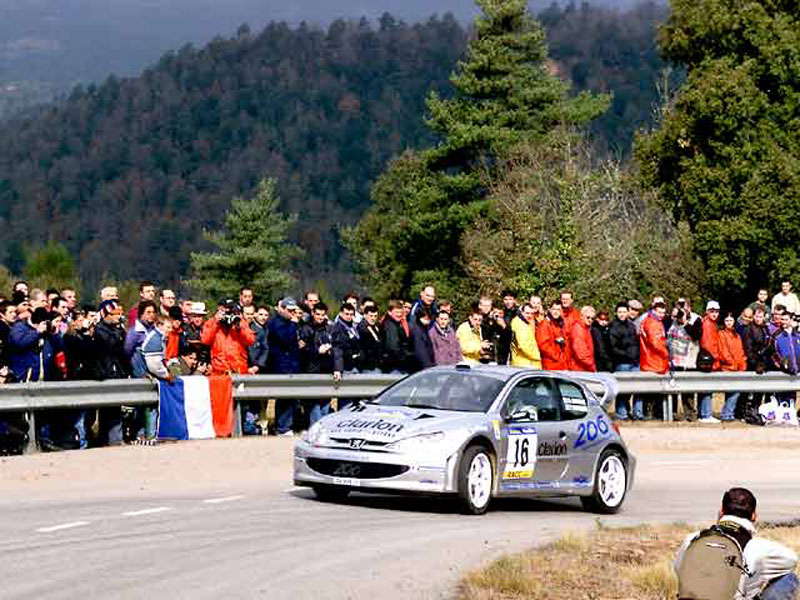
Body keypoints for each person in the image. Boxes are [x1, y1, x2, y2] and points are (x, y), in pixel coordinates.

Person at [675, 487, 798, 600]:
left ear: (721, 513)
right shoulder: (758, 548)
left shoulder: (691, 539)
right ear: (754, 516)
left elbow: (679, 569)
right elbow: (792, 560)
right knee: (790, 579)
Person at [267, 298, 302, 435]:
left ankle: (288, 425)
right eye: (289, 311)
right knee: (284, 398)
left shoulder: (288, 323)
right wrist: (293, 325)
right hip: (281, 366)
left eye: (294, 311)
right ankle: (282, 427)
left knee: (292, 398)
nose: (292, 314)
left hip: (292, 365)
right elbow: (284, 339)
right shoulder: (275, 323)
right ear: (281, 309)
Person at [299, 302, 335, 425]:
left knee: (325, 402)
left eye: (322, 315)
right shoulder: (306, 328)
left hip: (327, 370)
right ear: (313, 313)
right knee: (313, 404)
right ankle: (317, 428)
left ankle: (322, 427)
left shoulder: (329, 328)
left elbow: (338, 346)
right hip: (311, 370)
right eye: (317, 314)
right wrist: (317, 351)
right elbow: (303, 350)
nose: (320, 317)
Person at [201, 299, 256, 375]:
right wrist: (216, 322)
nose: (227, 315)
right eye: (225, 312)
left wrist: (239, 326)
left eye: (229, 312)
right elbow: (205, 340)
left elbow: (251, 340)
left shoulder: (240, 323)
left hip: (238, 369)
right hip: (219, 369)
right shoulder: (212, 322)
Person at [719, 313, 747, 421]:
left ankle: (729, 414)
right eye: (727, 320)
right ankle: (726, 413)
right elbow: (723, 351)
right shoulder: (721, 334)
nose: (729, 323)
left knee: (735, 391)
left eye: (731, 320)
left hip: (738, 368)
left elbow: (741, 351)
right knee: (734, 391)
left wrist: (742, 363)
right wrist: (732, 363)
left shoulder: (737, 335)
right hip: (728, 367)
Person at [698, 300, 723, 423]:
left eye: (717, 311)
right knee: (707, 388)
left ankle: (704, 413)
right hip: (709, 360)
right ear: (707, 311)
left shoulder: (711, 323)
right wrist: (716, 358)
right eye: (712, 311)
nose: (715, 314)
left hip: (709, 359)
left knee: (706, 388)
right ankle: (705, 414)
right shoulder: (708, 324)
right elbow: (709, 345)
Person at [536, 300, 569, 370]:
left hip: (561, 363)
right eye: (554, 309)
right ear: (550, 310)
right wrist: (557, 356)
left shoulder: (560, 324)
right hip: (550, 364)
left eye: (558, 309)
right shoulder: (544, 324)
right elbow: (543, 345)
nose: (556, 312)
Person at [381, 299, 413, 373]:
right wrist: (407, 356)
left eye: (400, 312)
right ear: (389, 312)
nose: (399, 314)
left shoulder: (396, 323)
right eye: (396, 312)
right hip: (394, 366)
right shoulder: (390, 325)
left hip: (397, 364)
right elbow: (393, 347)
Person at [510, 303, 541, 368]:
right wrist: (538, 356)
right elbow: (524, 346)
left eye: (532, 313)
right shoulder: (520, 325)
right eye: (527, 313)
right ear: (522, 312)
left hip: (522, 362)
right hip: (525, 363)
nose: (529, 315)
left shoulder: (522, 322)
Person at [567, 306, 596, 372]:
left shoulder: (586, 328)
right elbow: (581, 354)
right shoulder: (578, 329)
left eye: (592, 318)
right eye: (588, 317)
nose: (590, 320)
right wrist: (592, 365)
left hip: (583, 367)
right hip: (579, 369)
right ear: (581, 316)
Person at [743, 308, 771, 372]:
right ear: (753, 316)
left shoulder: (765, 328)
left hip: (765, 362)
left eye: (760, 317)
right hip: (754, 364)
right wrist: (755, 363)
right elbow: (748, 348)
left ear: (763, 317)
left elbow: (768, 344)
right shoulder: (748, 329)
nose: (758, 319)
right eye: (757, 316)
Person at [356, 304, 382, 373]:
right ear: (364, 315)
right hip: (367, 366)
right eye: (371, 316)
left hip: (375, 364)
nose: (373, 318)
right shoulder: (362, 328)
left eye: (375, 316)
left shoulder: (376, 327)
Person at [408, 306, 434, 372]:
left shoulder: (424, 329)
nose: (428, 320)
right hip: (422, 367)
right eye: (427, 318)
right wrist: (428, 367)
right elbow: (420, 350)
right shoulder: (417, 330)